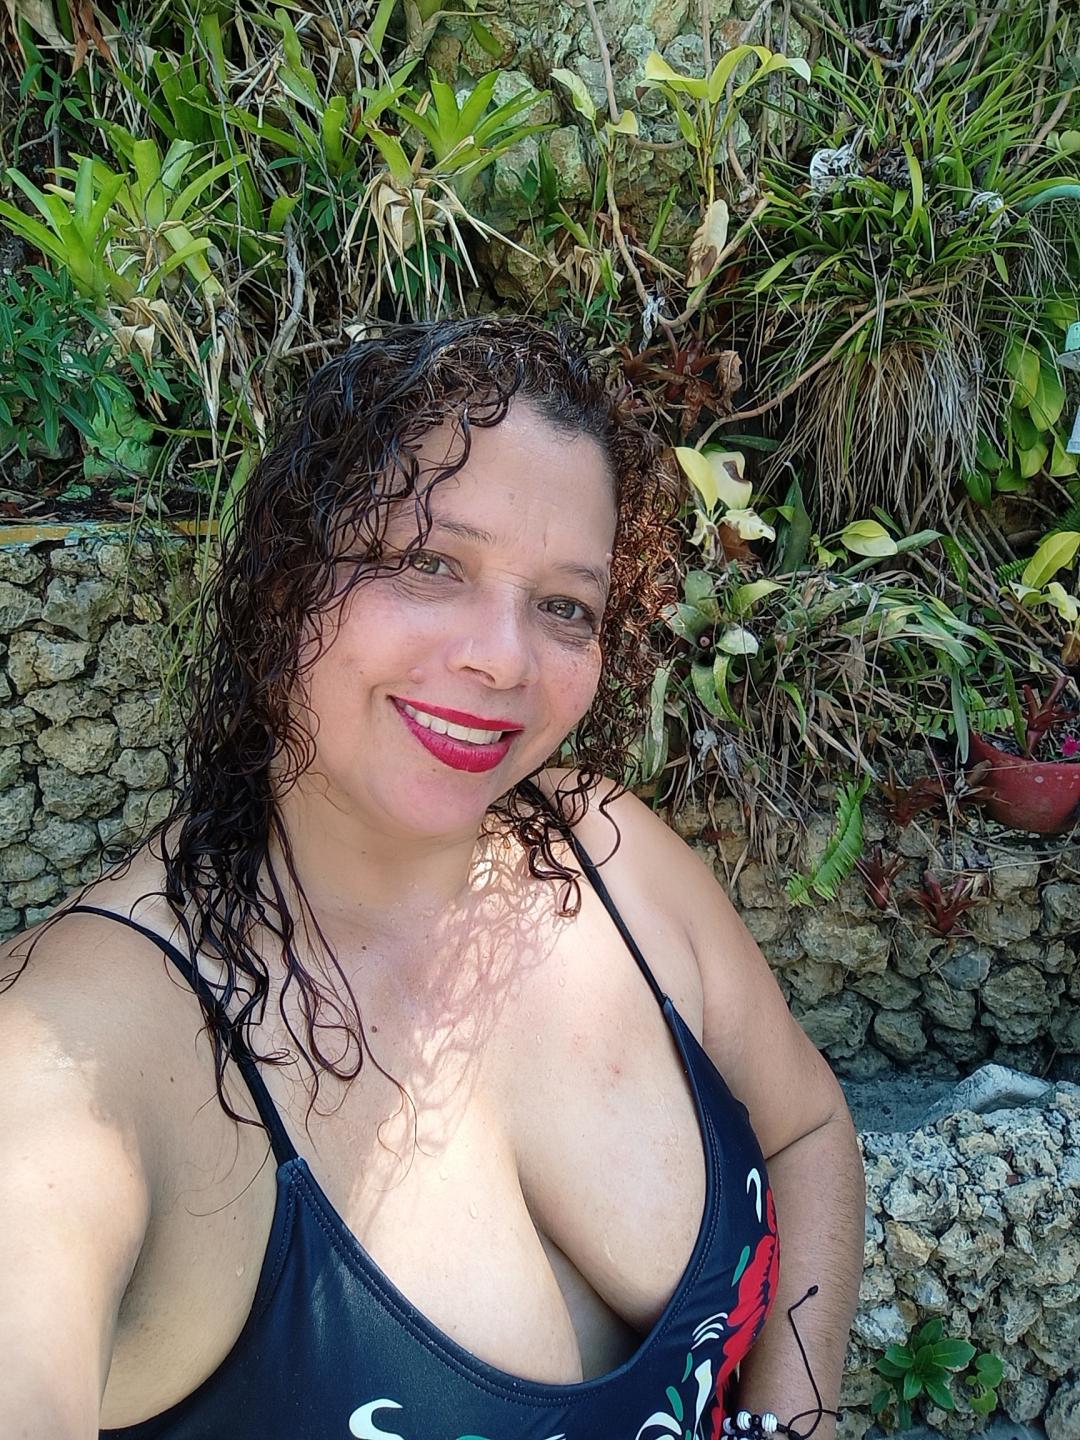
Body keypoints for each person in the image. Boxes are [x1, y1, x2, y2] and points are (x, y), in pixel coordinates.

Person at [0, 316, 864, 1440]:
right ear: (285, 576)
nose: (503, 657)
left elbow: (805, 1131)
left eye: (565, 605)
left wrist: (799, 1421)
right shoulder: (88, 1052)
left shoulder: (608, 851)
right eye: (429, 563)